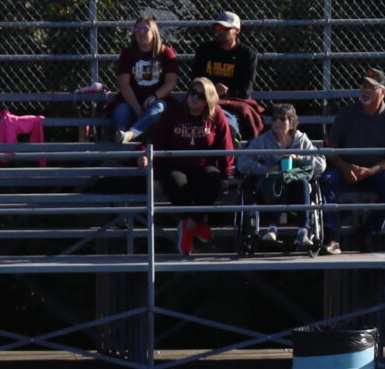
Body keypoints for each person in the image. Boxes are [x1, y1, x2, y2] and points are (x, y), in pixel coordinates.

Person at [143, 77, 236, 257]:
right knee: (175, 182)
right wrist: (155, 176)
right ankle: (196, 225)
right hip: (175, 165)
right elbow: (158, 143)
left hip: (203, 166)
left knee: (213, 180)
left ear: (208, 99)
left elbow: (226, 146)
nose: (194, 97)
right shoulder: (173, 112)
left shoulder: (216, 115)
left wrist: (226, 175)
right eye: (192, 93)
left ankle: (188, 226)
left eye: (200, 96)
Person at [322, 69, 385, 252]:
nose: (365, 90)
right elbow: (331, 148)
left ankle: (368, 231)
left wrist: (370, 171)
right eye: (363, 86)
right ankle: (332, 237)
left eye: (371, 87)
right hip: (346, 171)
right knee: (326, 180)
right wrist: (344, 168)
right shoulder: (347, 113)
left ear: (383, 92)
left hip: (376, 172)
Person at [236, 102, 325, 252]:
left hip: (297, 187)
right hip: (270, 186)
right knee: (282, 179)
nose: (277, 122)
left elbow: (321, 164)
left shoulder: (301, 140)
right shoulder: (264, 141)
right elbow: (243, 162)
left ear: (292, 122)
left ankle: (302, 231)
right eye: (274, 119)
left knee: (301, 181)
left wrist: (299, 157)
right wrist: (267, 169)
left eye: (282, 119)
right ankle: (272, 228)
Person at [111, 17, 183, 143]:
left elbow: (171, 82)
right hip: (131, 101)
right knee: (121, 111)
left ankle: (130, 135)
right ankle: (121, 148)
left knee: (158, 107)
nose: (140, 32)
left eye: (145, 28)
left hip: (157, 99)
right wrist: (136, 107)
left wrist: (155, 96)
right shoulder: (127, 54)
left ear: (154, 32)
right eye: (137, 29)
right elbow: (124, 85)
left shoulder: (166, 53)